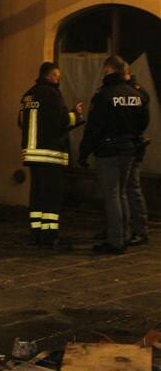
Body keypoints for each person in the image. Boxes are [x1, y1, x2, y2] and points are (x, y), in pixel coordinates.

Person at [79, 55, 147, 255]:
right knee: (123, 193)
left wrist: (84, 152)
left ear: (109, 71)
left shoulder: (104, 96)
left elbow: (94, 128)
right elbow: (143, 122)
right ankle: (124, 235)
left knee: (112, 196)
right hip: (129, 149)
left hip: (108, 151)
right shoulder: (137, 95)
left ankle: (115, 240)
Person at [18, 62, 84, 249]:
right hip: (50, 154)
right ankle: (50, 236)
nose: (59, 79)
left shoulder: (28, 95)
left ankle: (35, 234)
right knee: (52, 196)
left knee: (37, 194)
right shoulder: (52, 94)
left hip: (32, 154)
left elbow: (21, 121)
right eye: (57, 75)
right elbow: (62, 120)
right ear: (50, 75)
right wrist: (76, 115)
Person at [124, 64, 151, 246]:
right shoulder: (136, 92)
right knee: (120, 190)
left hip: (130, 145)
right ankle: (120, 227)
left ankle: (139, 229)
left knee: (131, 188)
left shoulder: (135, 92)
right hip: (129, 144)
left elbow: (142, 120)